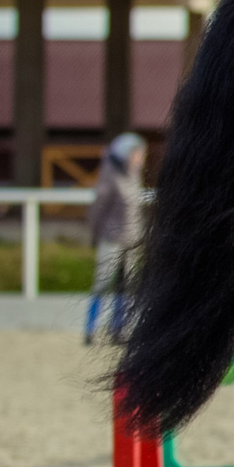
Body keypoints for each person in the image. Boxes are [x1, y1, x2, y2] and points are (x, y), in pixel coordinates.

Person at [82, 131, 145, 344]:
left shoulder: (133, 174)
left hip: (131, 239)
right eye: (136, 154)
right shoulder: (111, 175)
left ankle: (118, 329)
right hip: (111, 238)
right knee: (102, 283)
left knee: (125, 287)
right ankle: (89, 329)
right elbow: (99, 208)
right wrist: (94, 233)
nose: (140, 158)